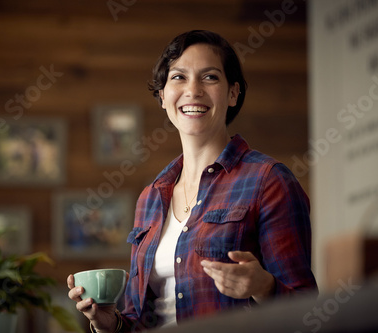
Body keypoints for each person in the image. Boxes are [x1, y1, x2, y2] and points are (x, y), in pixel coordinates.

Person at [67, 30, 318, 332]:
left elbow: (308, 314)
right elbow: (137, 319)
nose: (193, 90)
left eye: (210, 77)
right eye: (178, 77)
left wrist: (265, 287)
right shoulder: (150, 197)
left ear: (233, 93)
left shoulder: (269, 181)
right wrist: (110, 324)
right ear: (162, 96)